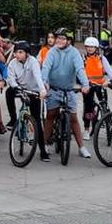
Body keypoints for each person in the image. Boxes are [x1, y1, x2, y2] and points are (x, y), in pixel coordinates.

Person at [41, 29, 92, 159]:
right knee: (51, 115)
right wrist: (43, 83)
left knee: (74, 118)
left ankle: (81, 147)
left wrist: (85, 85)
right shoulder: (52, 52)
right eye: (58, 38)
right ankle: (45, 144)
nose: (59, 41)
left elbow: (80, 69)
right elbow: (46, 67)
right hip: (54, 88)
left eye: (63, 38)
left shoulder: (74, 53)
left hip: (69, 90)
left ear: (69, 41)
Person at [4, 41, 49, 161]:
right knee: (9, 92)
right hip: (19, 88)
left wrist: (42, 90)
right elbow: (11, 79)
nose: (17, 55)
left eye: (20, 52)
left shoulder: (33, 61)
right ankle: (13, 119)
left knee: (36, 120)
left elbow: (38, 77)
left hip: (33, 90)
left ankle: (43, 151)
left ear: (27, 54)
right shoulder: (12, 64)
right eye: (16, 52)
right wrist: (15, 87)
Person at [80, 36, 112, 132]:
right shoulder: (83, 58)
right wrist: (83, 83)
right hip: (88, 85)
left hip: (101, 84)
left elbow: (109, 71)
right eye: (87, 46)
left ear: (96, 48)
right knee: (88, 107)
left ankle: (106, 117)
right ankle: (87, 129)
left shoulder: (101, 58)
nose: (89, 48)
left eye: (92, 47)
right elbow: (80, 72)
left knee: (104, 103)